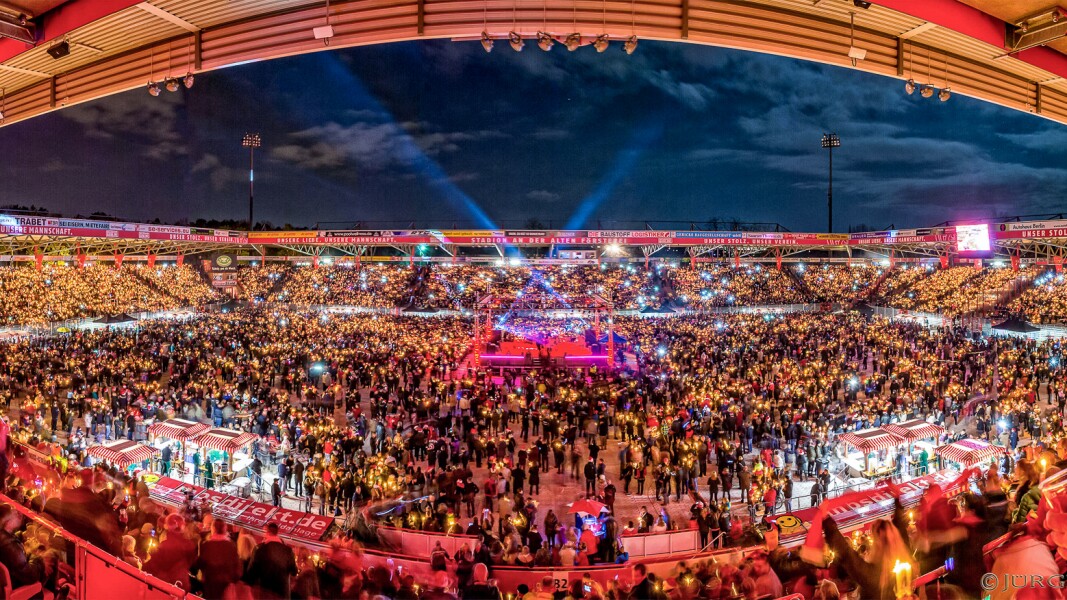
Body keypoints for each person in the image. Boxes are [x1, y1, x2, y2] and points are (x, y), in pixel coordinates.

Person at [144, 513, 197, 592]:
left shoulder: (165, 545)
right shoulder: (190, 545)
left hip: (166, 584)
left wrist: (143, 566)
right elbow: (191, 563)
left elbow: (154, 565)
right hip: (182, 584)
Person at [245, 522, 297, 599]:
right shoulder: (288, 550)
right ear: (277, 532)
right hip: (282, 593)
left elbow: (251, 572)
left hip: (265, 592)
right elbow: (294, 571)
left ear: (267, 532)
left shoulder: (259, 549)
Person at [192, 519, 242, 600]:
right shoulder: (231, 546)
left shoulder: (206, 545)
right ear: (224, 529)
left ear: (213, 529)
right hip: (225, 586)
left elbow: (199, 564)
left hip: (210, 585)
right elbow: (237, 570)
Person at [0, 504, 44, 589]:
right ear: (8, 523)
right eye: (16, 514)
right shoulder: (10, 546)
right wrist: (36, 556)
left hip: (6, 582)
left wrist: (26, 550)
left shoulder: (5, 537)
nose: (20, 515)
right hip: (17, 586)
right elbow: (30, 575)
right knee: (50, 559)